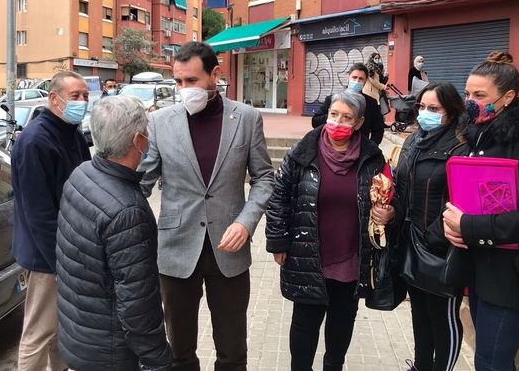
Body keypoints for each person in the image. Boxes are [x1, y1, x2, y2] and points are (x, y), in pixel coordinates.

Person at [138, 42, 274, 371]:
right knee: (178, 351)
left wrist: (246, 222)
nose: (184, 89)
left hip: (229, 249)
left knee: (232, 350)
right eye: (178, 81)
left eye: (192, 80)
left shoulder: (246, 119)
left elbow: (264, 178)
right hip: (176, 249)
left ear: (214, 75)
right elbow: (141, 183)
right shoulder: (159, 122)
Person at [442, 51, 519, 371]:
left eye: (480, 95)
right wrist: (452, 223)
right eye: (467, 94)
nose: (470, 102)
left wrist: (469, 226)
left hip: (510, 278)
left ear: (508, 97)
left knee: (491, 363)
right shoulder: (479, 134)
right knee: (489, 361)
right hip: (481, 272)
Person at [266, 90, 395, 371]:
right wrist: (277, 241)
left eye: (347, 117)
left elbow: (386, 198)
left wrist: (388, 213)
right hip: (308, 254)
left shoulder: (373, 158)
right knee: (305, 324)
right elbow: (278, 198)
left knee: (341, 323)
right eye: (334, 114)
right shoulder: (302, 153)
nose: (338, 122)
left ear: (359, 123)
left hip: (351, 257)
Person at [56, 95, 171, 370]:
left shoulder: (82, 174)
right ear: (138, 140)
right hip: (110, 352)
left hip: (78, 335)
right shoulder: (128, 211)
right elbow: (138, 303)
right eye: (146, 131)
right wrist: (158, 359)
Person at [12, 71, 91, 371]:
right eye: (75, 96)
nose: (82, 102)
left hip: (69, 250)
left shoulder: (72, 133)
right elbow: (39, 214)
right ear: (54, 99)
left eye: (85, 96)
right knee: (39, 331)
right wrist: (60, 264)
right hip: (47, 256)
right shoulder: (35, 141)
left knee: (62, 329)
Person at [392, 83, 468, 371]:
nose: (425, 113)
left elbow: (462, 199)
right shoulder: (414, 140)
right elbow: (402, 188)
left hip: (441, 249)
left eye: (434, 109)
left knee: (442, 318)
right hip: (411, 243)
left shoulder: (462, 146)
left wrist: (434, 236)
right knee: (420, 315)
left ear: (451, 111)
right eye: (422, 107)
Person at [311, 63, 385, 145]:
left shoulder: (371, 103)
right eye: (354, 77)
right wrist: (334, 115)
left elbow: (378, 129)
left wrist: (371, 147)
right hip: (332, 146)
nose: (357, 81)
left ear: (366, 80)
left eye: (361, 79)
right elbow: (315, 121)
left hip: (359, 148)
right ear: (348, 77)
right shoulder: (333, 99)